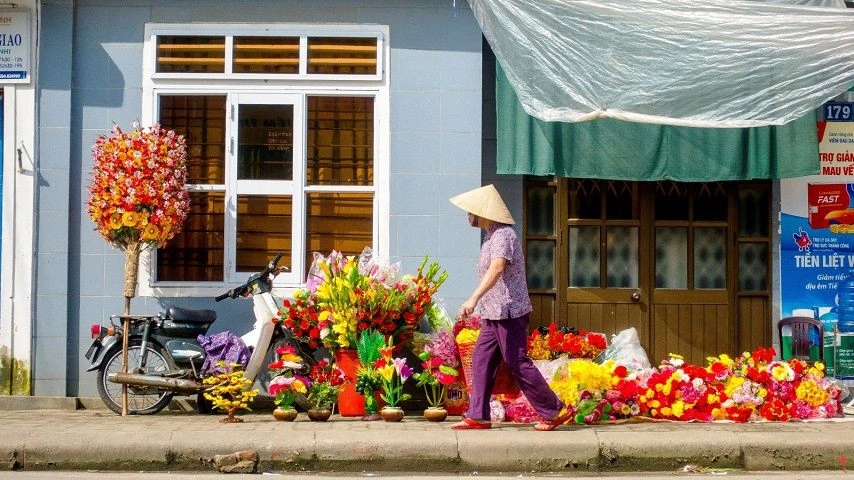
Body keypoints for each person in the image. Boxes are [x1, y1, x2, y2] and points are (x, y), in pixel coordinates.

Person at [448, 184, 571, 431]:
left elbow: (497, 268)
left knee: (517, 362)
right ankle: (478, 415)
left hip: (508, 311)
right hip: (493, 312)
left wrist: (472, 298)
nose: (468, 216)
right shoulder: (490, 236)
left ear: (482, 212)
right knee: (481, 359)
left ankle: (554, 411)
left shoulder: (504, 235)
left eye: (470, 211)